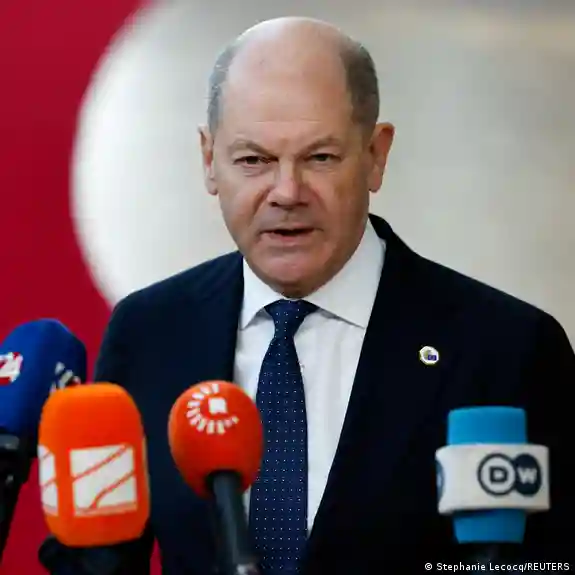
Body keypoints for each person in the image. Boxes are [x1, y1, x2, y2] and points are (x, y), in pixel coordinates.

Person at [42, 16, 575, 575]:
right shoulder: (150, 333)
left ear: (376, 155)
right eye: (254, 160)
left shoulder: (507, 349)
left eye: (320, 157)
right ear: (209, 161)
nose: (287, 192)